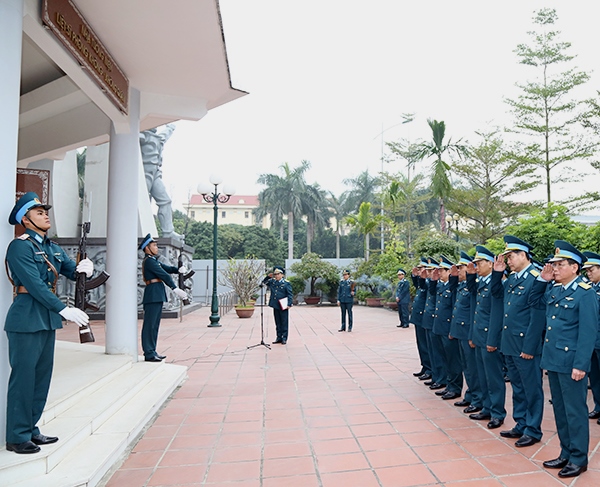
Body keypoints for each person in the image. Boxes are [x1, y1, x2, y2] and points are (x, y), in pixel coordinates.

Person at [5, 192, 92, 454]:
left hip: (46, 319)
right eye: (39, 212)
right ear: (25, 219)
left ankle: (31, 429)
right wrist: (63, 309)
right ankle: (17, 436)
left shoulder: (52, 247)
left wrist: (84, 269)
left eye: (46, 211)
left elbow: (70, 271)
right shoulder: (20, 247)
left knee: (41, 378)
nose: (45, 215)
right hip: (26, 317)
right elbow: (33, 285)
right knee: (23, 379)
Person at [530, 241, 598, 478]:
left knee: (575, 411)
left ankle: (579, 459)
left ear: (574, 267)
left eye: (560, 265)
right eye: (554, 264)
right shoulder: (555, 289)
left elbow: (588, 333)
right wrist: (542, 281)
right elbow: (533, 302)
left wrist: (581, 365)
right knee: (560, 409)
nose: (555, 268)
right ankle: (566, 452)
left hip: (571, 363)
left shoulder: (585, 293)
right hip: (553, 359)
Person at [492, 236, 545, 447]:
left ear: (523, 255)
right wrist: (497, 272)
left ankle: (533, 429)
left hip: (525, 345)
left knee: (532, 388)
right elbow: (497, 294)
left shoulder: (535, 278)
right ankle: (521, 423)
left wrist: (530, 347)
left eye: (511, 256)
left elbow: (537, 316)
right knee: (518, 386)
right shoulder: (513, 278)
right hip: (510, 343)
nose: (508, 261)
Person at [466, 245, 506, 430]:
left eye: (479, 263)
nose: (477, 266)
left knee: (494, 377)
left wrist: (492, 340)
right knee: (482, 375)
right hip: (479, 336)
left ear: (490, 264)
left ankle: (498, 412)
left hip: (490, 338)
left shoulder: (497, 283)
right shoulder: (482, 282)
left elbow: (496, 315)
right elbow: (475, 306)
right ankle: (487, 407)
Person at [139, 233, 188, 362]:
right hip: (152, 295)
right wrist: (175, 288)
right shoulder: (149, 261)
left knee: (154, 326)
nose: (157, 248)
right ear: (147, 248)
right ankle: (148, 353)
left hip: (157, 295)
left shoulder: (153, 261)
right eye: (154, 245)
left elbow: (167, 268)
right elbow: (164, 275)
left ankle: (152, 350)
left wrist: (178, 270)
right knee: (149, 325)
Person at [449, 252, 483, 413]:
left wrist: (471, 335)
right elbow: (454, 303)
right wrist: (454, 278)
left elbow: (473, 313)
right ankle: (470, 395)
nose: (459, 270)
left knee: (472, 368)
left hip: (468, 331)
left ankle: (477, 398)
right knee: (466, 367)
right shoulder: (462, 286)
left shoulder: (472, 286)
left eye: (461, 268)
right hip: (460, 331)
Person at [430, 255, 463, 400]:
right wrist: (433, 280)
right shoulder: (441, 286)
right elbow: (431, 292)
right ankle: (449, 385)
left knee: (453, 360)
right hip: (440, 327)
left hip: (448, 328)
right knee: (445, 359)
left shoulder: (453, 286)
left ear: (450, 271)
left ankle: (455, 387)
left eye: (443, 270)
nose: (440, 273)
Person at [139, 124, 178, 239]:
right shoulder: (142, 136)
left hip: (155, 174)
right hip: (144, 174)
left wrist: (170, 127)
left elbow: (166, 134)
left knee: (166, 201)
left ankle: (168, 231)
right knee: (142, 202)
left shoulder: (158, 138)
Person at [582, 252, 600, 423]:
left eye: (592, 270)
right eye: (587, 271)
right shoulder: (591, 288)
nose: (589, 273)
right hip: (593, 341)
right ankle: (598, 406)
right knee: (594, 376)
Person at [411, 258, 432, 380]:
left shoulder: (429, 282)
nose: (420, 271)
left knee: (425, 345)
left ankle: (429, 368)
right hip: (418, 317)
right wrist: (415, 276)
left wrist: (421, 278)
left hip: (424, 317)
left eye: (422, 268)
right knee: (421, 344)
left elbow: (424, 286)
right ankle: (425, 366)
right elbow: (418, 285)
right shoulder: (423, 282)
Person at [262, 267, 293, 344]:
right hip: (275, 304)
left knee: (284, 321)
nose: (276, 276)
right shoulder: (273, 282)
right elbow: (263, 283)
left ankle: (284, 338)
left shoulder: (286, 283)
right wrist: (268, 276)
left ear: (282, 275)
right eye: (275, 274)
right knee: (277, 321)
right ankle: (279, 337)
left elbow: (289, 294)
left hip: (283, 304)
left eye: (278, 274)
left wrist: (289, 304)